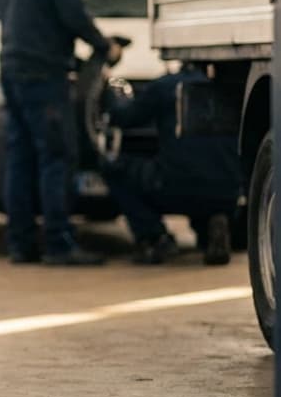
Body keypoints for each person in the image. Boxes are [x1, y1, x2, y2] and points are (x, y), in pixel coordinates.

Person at [0, 0, 122, 265]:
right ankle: (59, 242)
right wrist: (104, 46)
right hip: (44, 74)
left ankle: (20, 243)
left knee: (20, 157)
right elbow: (73, 14)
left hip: (12, 68)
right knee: (56, 156)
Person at [102, 66, 243, 265]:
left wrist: (111, 97)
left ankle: (154, 237)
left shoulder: (165, 86)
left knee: (116, 169)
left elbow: (126, 117)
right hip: (228, 193)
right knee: (205, 173)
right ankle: (212, 228)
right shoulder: (228, 89)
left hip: (177, 186)